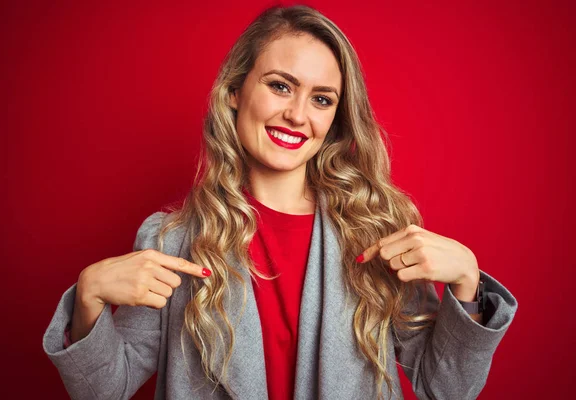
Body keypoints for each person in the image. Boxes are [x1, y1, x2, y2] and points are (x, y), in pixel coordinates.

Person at [42, 5, 518, 400]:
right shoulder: (171, 240)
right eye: (280, 85)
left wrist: (466, 285)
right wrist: (88, 299)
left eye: (322, 99)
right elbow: (105, 389)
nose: (297, 114)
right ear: (234, 91)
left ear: (336, 118)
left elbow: (446, 388)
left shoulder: (377, 231)